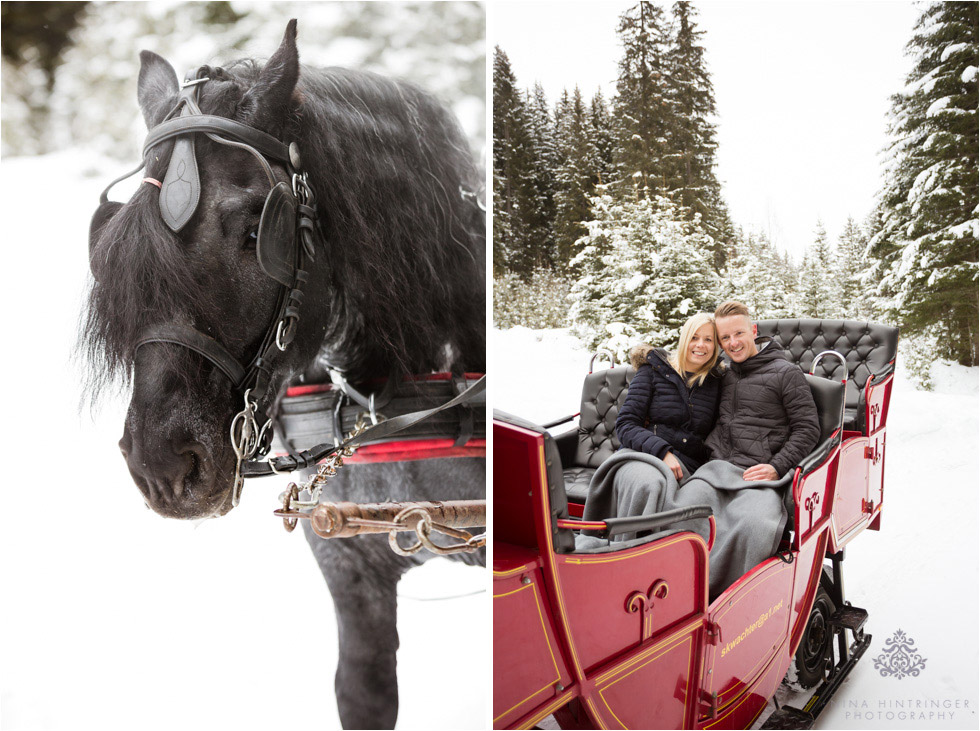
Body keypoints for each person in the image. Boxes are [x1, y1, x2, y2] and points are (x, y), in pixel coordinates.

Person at [705, 300, 820, 480]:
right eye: (725, 337)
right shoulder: (723, 374)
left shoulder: (786, 373)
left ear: (753, 331)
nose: (733, 343)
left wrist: (777, 466)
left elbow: (807, 429)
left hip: (755, 474)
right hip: (714, 469)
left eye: (739, 333)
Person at [614, 312, 724, 481]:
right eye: (694, 338)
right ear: (684, 339)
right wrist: (662, 452)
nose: (701, 345)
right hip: (641, 454)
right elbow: (625, 424)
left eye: (708, 339)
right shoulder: (652, 371)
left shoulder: (717, 382)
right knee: (650, 483)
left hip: (688, 465)